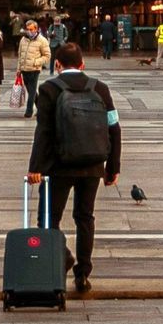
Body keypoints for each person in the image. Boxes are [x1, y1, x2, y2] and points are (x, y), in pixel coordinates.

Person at [27, 40, 121, 296]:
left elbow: (43, 132)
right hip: (93, 164)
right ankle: (83, 274)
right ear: (83, 64)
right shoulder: (100, 88)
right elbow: (113, 127)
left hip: (58, 166)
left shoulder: (48, 89)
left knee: (49, 219)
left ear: (57, 65)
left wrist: (35, 167)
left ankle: (63, 257)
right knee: (85, 217)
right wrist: (112, 167)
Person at [16, 18, 51, 116]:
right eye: (28, 29)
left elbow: (47, 56)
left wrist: (36, 62)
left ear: (36, 29)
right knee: (31, 90)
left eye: (31, 29)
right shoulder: (23, 39)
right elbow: (20, 55)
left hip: (34, 69)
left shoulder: (42, 40)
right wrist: (19, 69)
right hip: (24, 69)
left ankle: (29, 111)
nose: (29, 31)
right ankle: (41, 107)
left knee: (31, 91)